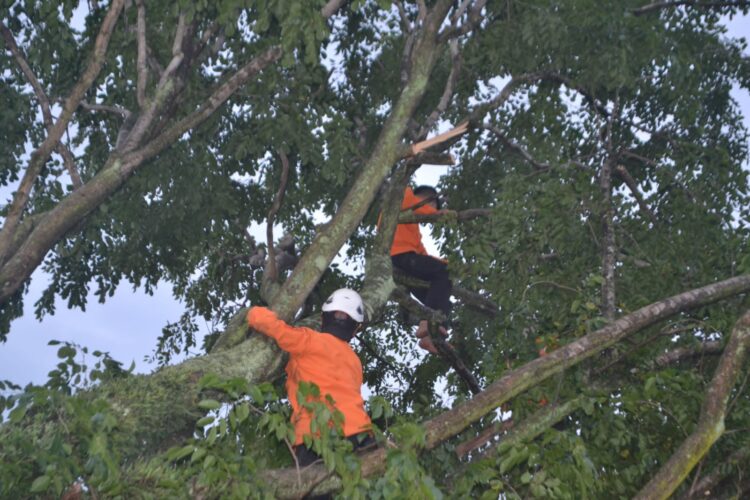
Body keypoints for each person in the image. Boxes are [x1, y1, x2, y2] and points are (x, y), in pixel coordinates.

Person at [246, 288, 374, 466]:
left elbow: (272, 326)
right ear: (355, 329)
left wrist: (251, 313)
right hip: (360, 432)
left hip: (315, 436)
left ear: (323, 318)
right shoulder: (355, 362)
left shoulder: (308, 340)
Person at [390, 185, 453, 354]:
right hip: (399, 256)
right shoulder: (405, 196)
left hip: (409, 262)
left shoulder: (413, 232)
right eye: (431, 206)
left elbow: (423, 255)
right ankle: (427, 321)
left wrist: (450, 264)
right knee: (443, 273)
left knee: (444, 299)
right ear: (426, 200)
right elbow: (415, 204)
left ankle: (431, 338)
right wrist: (439, 214)